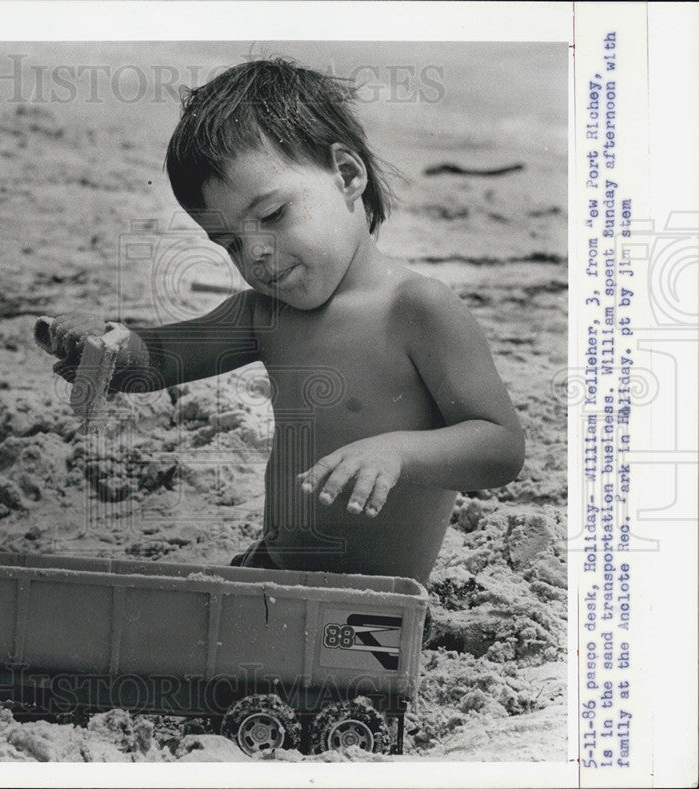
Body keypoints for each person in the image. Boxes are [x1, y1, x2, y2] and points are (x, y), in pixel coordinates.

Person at [41, 59, 524, 585]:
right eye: (230, 243)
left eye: (272, 216)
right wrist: (106, 346)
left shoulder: (416, 310)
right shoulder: (265, 314)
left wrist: (398, 451)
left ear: (346, 175)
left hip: (376, 603)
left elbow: (500, 446)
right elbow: (156, 360)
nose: (257, 257)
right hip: (276, 573)